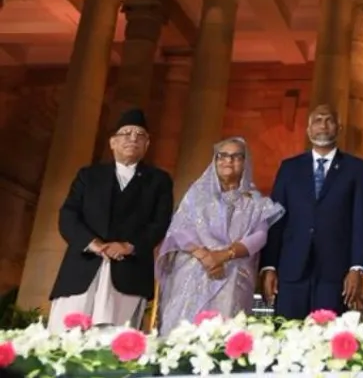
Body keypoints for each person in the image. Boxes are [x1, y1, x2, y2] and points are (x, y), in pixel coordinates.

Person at [47, 109, 174, 332]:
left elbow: (160, 223)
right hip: (81, 269)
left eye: (140, 135)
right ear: (112, 142)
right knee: (65, 339)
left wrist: (128, 246)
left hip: (129, 272)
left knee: (114, 342)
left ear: (147, 144)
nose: (133, 138)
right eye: (126, 133)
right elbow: (68, 215)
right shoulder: (88, 176)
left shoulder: (159, 181)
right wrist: (93, 243)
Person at [156, 137, 284, 335]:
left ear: (245, 162)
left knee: (223, 335)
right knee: (183, 333)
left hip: (232, 272)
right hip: (193, 269)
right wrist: (204, 256)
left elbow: (259, 237)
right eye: (222, 156)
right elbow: (179, 230)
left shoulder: (256, 202)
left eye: (236, 156)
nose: (228, 161)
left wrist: (223, 255)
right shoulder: (196, 195)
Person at [261, 105, 363, 318]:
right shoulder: (289, 168)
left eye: (328, 120)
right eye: (317, 120)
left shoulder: (355, 168)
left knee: (328, 339)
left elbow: (361, 221)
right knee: (288, 336)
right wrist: (269, 265)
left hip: (335, 271)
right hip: (291, 269)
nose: (323, 125)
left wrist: (356, 267)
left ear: (339, 128)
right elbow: (275, 220)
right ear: (308, 129)